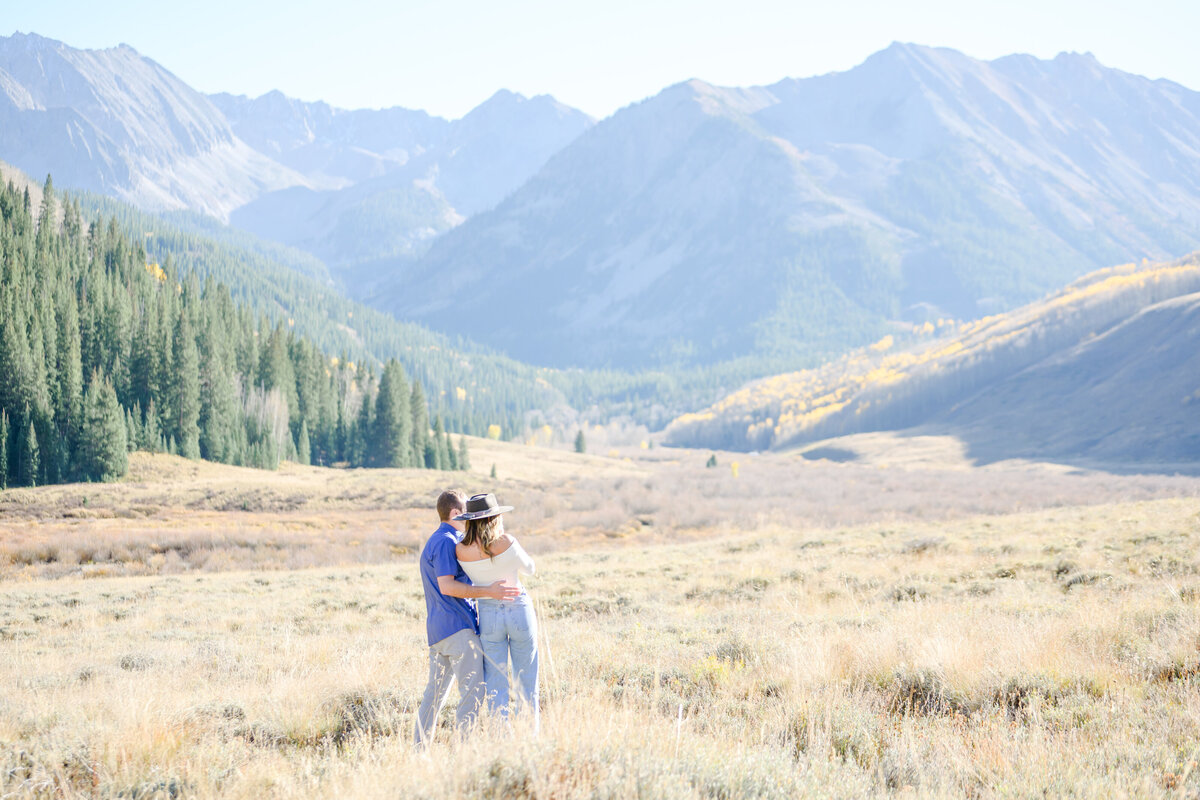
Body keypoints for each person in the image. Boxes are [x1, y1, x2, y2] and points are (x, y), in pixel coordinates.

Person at [414, 490, 520, 746]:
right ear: (454, 514)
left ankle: (419, 751)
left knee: (434, 696)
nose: (469, 519)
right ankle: (463, 750)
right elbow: (448, 586)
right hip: (458, 630)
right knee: (474, 692)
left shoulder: (437, 540)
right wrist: (489, 591)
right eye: (465, 513)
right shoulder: (447, 542)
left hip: (439, 633)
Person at [455, 492, 540, 733]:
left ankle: (501, 737)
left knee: (495, 681)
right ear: (495, 518)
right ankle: (528, 736)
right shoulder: (506, 542)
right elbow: (531, 569)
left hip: (489, 613)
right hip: (518, 608)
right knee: (527, 679)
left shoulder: (461, 550)